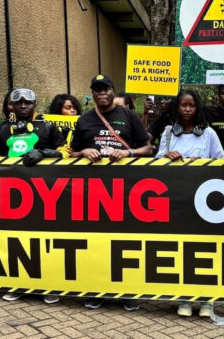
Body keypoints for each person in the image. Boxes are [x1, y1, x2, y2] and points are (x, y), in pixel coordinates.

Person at [71, 74, 151, 311]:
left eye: (105, 88)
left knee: (127, 242)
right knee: (96, 242)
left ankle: (128, 292)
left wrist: (128, 153)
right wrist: (84, 152)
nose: (101, 93)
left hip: (126, 190)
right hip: (94, 192)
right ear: (93, 94)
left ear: (113, 92)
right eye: (97, 89)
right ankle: (98, 291)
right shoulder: (84, 120)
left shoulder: (128, 115)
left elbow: (148, 148)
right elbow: (72, 153)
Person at [0, 88, 66, 303]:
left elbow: (66, 152)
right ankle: (19, 283)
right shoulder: (4, 129)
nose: (23, 106)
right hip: (14, 195)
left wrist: (44, 153)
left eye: (28, 102)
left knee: (45, 240)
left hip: (45, 194)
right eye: (18, 103)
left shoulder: (48, 126)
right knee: (16, 239)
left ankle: (49, 285)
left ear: (35, 105)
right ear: (11, 106)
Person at [154, 90, 224, 317]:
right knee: (182, 249)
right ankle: (184, 298)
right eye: (183, 105)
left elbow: (223, 164)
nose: (187, 109)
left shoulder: (209, 134)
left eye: (191, 105)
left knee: (206, 249)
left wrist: (204, 163)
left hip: (205, 203)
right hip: (177, 201)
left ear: (197, 108)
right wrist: (166, 157)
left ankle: (207, 301)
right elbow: (155, 163)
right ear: (177, 107)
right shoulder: (168, 133)